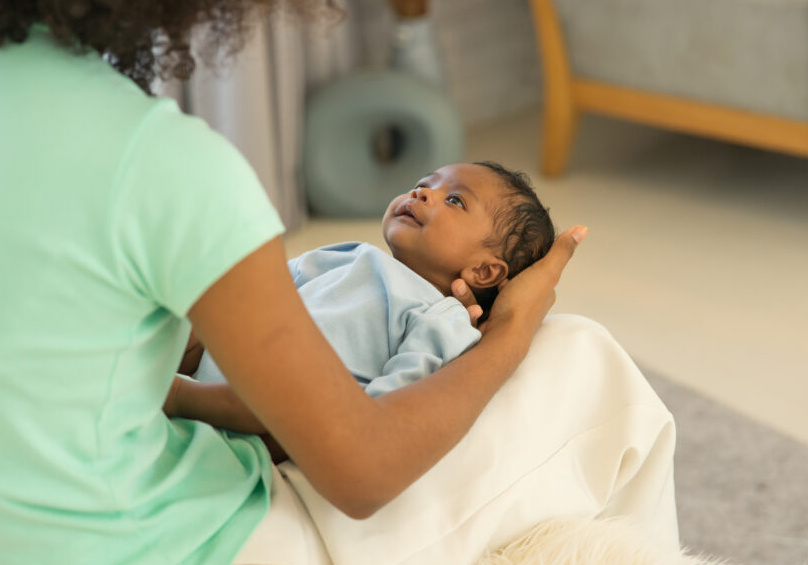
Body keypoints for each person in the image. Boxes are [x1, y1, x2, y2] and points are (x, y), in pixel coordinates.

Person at [0, 0, 677, 565]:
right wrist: (510, 333)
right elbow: (363, 473)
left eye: (454, 198)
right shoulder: (160, 163)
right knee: (583, 356)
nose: (425, 194)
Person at [177, 160, 555, 425]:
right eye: (425, 183)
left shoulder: (441, 318)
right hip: (223, 365)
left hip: (287, 418)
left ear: (484, 271)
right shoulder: (353, 254)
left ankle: (181, 399)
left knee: (279, 403)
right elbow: (257, 294)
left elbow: (392, 406)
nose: (422, 193)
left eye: (454, 200)